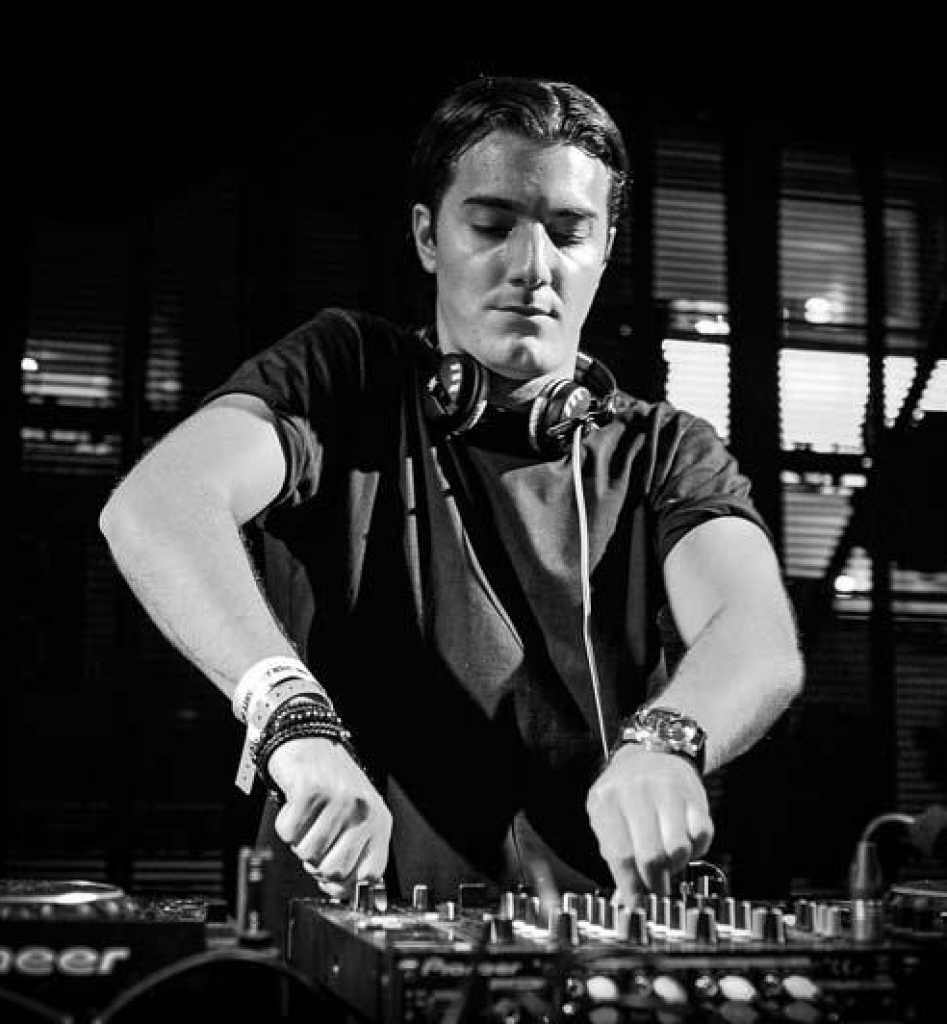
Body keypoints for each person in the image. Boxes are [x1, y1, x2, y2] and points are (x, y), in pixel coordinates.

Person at [99, 75, 804, 937]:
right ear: (429, 236)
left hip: (593, 942)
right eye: (492, 224)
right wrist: (291, 718)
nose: (533, 266)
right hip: (348, 940)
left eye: (568, 231)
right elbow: (159, 503)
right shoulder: (345, 377)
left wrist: (669, 738)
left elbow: (756, 632)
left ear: (605, 248)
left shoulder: (668, 450)